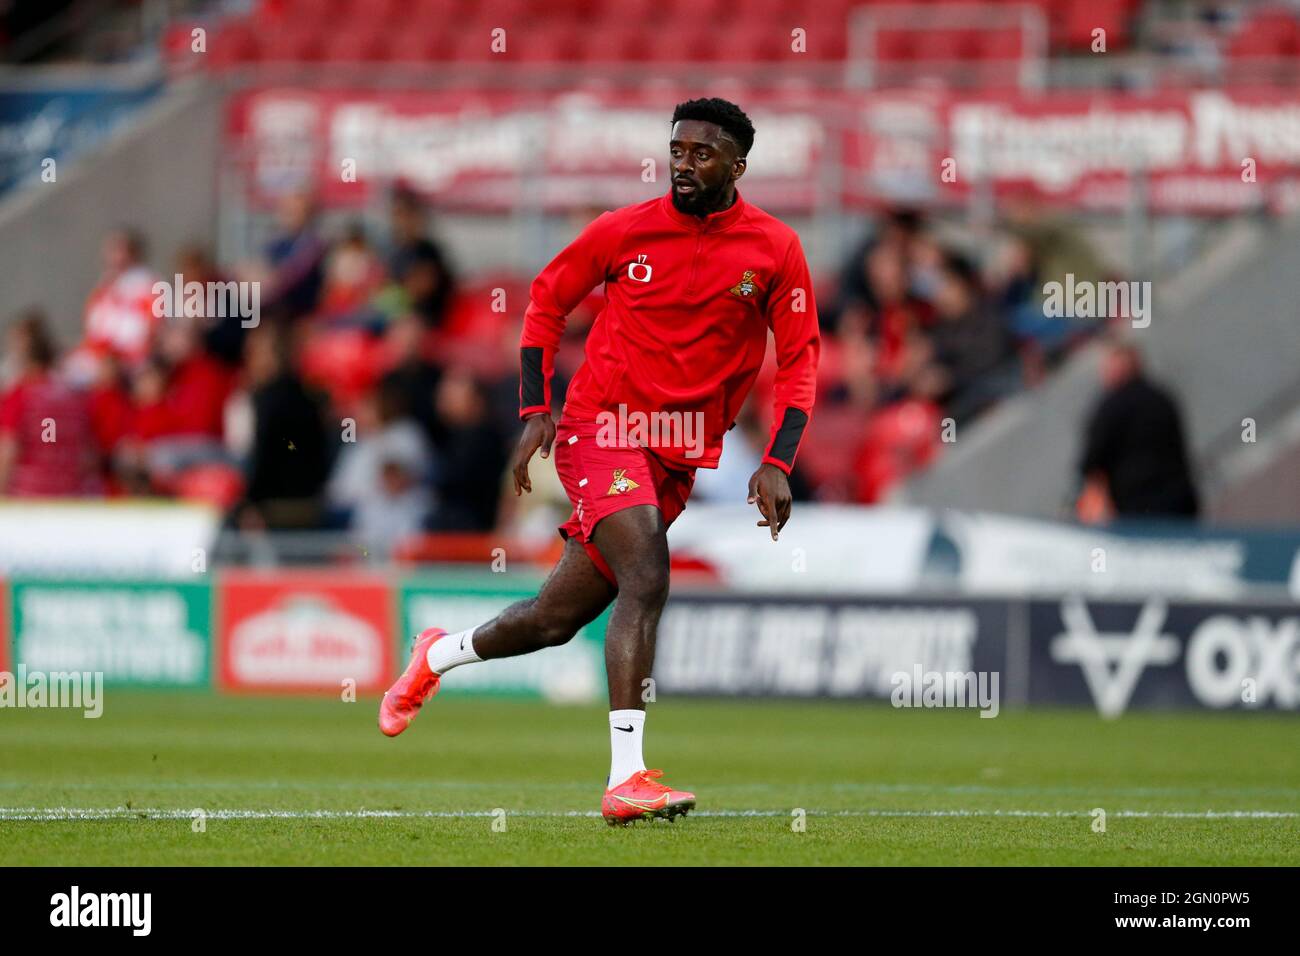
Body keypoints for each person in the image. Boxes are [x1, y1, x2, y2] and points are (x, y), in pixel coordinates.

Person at [377, 98, 821, 825]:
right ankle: (627, 778)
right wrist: (533, 410)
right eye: (677, 149)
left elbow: (801, 356)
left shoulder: (775, 249)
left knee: (556, 618)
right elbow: (546, 302)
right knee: (646, 572)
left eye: (702, 154)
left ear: (737, 166)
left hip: (677, 453)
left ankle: (437, 656)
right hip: (601, 428)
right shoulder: (625, 229)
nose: (683, 163)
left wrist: (778, 458)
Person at [1078, 335, 1199, 520]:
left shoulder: (1110, 408)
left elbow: (1089, 462)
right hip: (1180, 502)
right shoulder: (1161, 396)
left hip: (1138, 512)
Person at [0, 310, 102, 497]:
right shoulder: (74, 396)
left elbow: (8, 451)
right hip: (69, 497)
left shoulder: (20, 395)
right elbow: (89, 453)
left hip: (27, 498)